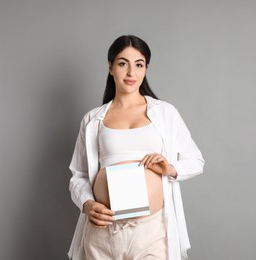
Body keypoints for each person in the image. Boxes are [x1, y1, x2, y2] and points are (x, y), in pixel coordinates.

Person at [67, 35, 204, 260]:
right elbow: (78, 175)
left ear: (145, 68)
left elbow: (196, 160)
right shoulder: (93, 120)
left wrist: (170, 168)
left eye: (139, 64)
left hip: (152, 231)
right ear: (110, 67)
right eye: (123, 63)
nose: (131, 73)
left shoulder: (165, 113)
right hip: (103, 232)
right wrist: (87, 204)